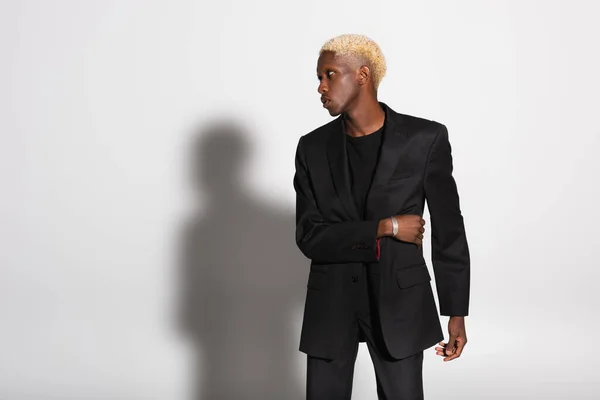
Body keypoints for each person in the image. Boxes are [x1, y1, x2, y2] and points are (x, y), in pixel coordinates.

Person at [293, 34, 471, 399]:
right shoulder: (311, 148)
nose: (320, 87)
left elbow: (449, 230)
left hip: (400, 302)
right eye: (319, 77)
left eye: (329, 75)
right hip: (331, 304)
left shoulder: (425, 139)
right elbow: (310, 237)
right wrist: (385, 227)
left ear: (362, 75)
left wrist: (455, 311)